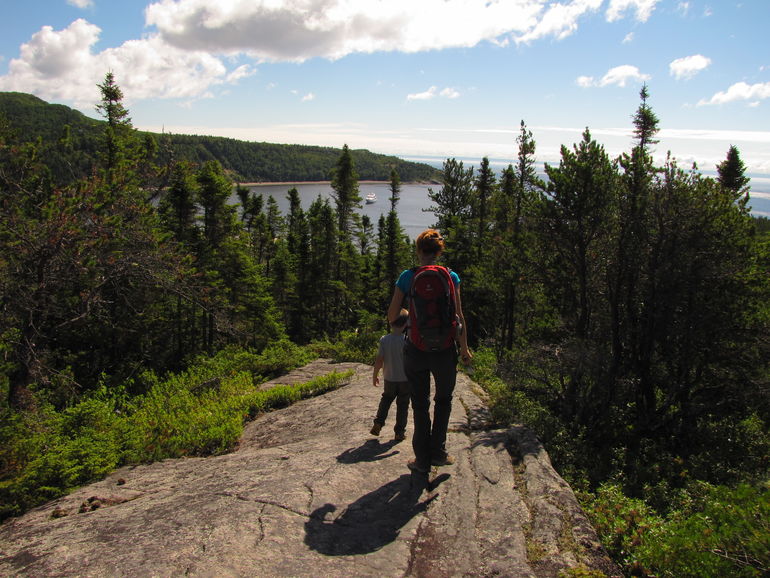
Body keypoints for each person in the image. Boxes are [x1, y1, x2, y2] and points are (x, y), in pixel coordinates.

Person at [387, 229, 472, 475]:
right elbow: (459, 317)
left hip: (415, 348)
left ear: (418, 250)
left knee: (419, 403)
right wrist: (464, 348)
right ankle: (439, 453)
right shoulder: (450, 276)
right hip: (445, 349)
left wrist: (408, 318)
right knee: (443, 401)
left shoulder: (407, 276)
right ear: (439, 251)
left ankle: (421, 460)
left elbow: (392, 316)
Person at [370, 308, 410, 442]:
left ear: (391, 323)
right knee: (403, 405)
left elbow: (379, 360)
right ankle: (399, 432)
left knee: (386, 400)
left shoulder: (384, 340)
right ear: (406, 324)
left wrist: (375, 374)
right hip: (405, 379)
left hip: (389, 378)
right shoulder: (407, 340)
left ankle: (378, 423)